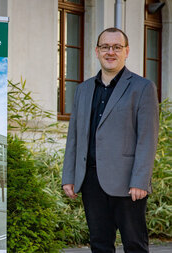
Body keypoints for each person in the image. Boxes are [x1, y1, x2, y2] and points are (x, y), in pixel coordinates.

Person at [62, 27, 159, 253]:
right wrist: (69, 176)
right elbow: (74, 137)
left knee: (134, 245)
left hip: (128, 184)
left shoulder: (142, 87)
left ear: (126, 51)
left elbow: (147, 138)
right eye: (105, 47)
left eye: (117, 47)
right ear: (97, 51)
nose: (110, 52)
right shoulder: (83, 90)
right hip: (91, 181)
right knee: (99, 244)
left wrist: (140, 181)